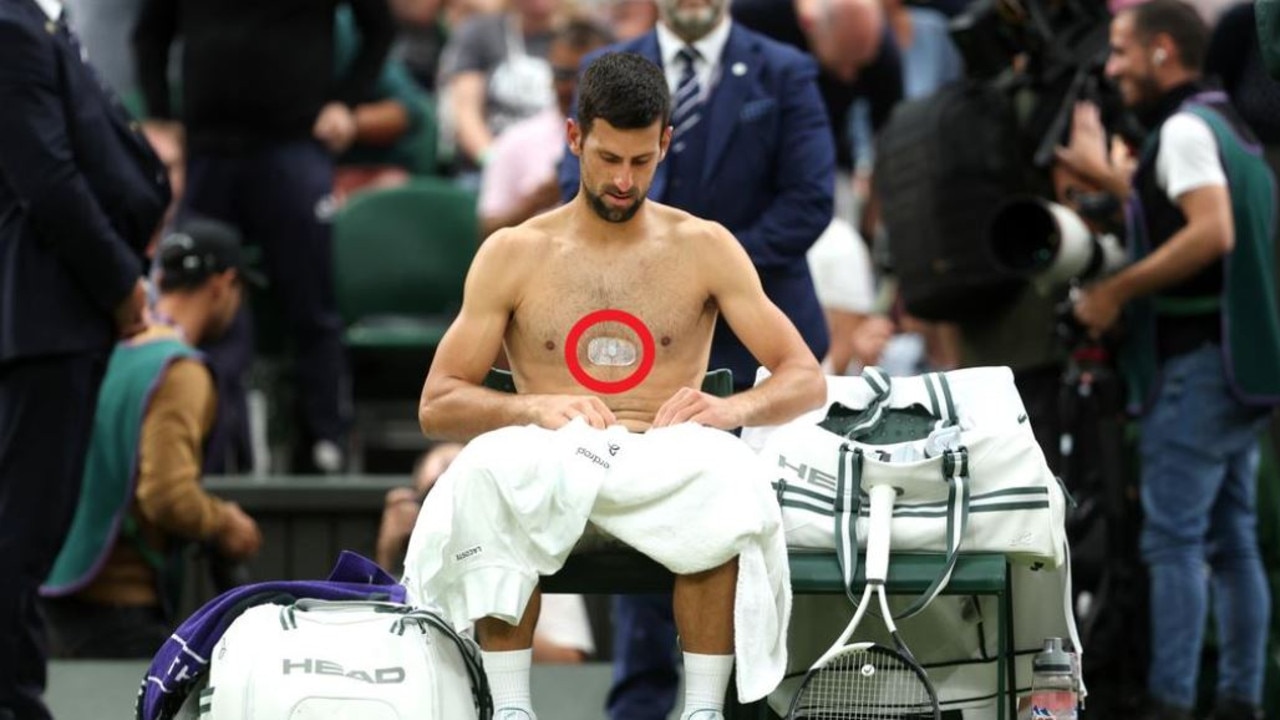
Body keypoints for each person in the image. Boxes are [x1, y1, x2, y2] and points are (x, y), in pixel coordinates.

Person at [402, 52, 826, 720]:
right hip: (545, 458)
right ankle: (510, 709)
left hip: (666, 457)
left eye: (640, 161)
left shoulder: (705, 247)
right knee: (478, 467)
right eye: (607, 159)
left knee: (733, 473)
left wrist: (729, 407)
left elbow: (805, 377)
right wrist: (535, 406)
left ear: (664, 143)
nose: (623, 180)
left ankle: (703, 710)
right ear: (575, 139)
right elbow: (437, 404)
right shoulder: (514, 253)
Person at [557, 0, 834, 714]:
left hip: (763, 338)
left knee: (751, 537)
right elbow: (582, 199)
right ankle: (642, 705)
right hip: (637, 343)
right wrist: (662, 278)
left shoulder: (788, 70)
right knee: (638, 527)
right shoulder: (605, 71)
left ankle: (747, 705)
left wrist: (706, 272)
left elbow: (809, 200)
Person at [1057, 2, 1280, 718]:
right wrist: (1118, 180)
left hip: (1195, 368)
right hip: (1238, 364)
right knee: (1233, 540)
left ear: (1161, 51)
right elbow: (1203, 217)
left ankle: (1172, 702)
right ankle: (1241, 699)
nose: (1112, 68)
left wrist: (1114, 292)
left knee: (1175, 543)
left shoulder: (1183, 131)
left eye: (1121, 51)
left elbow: (1210, 232)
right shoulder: (1230, 126)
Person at [132, 0, 395, 475]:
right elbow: (151, 32)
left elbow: (379, 27)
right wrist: (159, 114)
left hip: (292, 146)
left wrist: (347, 100)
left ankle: (325, 440)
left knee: (312, 304)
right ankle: (208, 439)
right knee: (193, 299)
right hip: (209, 152)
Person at [0, 0, 171, 714]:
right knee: (19, 535)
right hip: (46, 317)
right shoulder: (10, 26)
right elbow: (50, 179)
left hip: (56, 318)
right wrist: (121, 286)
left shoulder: (37, 22)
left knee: (25, 531)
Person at [39, 219, 263, 659]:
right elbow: (166, 495)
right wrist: (225, 524)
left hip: (52, 589)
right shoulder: (181, 371)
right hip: (118, 610)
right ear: (224, 284)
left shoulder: (111, 344)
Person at [379, 443, 596, 663]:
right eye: (436, 492)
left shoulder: (537, 548)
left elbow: (569, 660)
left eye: (466, 488)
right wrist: (387, 556)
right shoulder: (416, 561)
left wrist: (487, 616)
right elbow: (384, 652)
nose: (453, 505)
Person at [479, 16, 614, 238]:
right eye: (563, 75)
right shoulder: (516, 141)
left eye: (585, 76)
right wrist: (535, 203)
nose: (573, 87)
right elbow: (487, 232)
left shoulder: (632, 144)